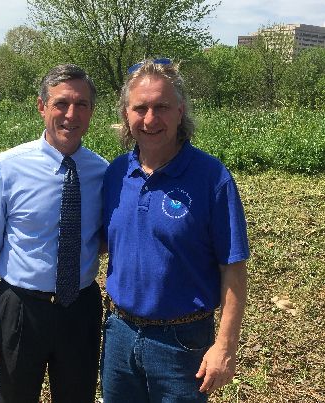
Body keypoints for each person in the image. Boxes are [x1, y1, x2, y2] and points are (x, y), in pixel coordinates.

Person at [101, 58, 249, 402]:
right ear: (126, 113)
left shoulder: (212, 178)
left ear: (180, 111)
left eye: (162, 107)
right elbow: (102, 243)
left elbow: (233, 268)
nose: (150, 119)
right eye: (140, 108)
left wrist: (225, 345)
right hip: (119, 335)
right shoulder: (115, 173)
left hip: (183, 343)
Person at [0, 64, 108, 403]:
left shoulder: (103, 172)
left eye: (81, 104)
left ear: (91, 112)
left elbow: (104, 236)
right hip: (22, 309)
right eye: (61, 103)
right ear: (42, 107)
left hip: (80, 308)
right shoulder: (6, 167)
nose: (71, 114)